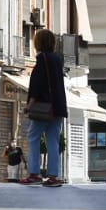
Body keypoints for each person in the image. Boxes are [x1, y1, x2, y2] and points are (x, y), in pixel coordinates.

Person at [24, 28, 69, 187]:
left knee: (33, 137)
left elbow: (37, 84)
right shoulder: (57, 60)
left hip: (44, 107)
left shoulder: (42, 59)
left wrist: (29, 105)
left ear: (38, 43)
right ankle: (53, 176)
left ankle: (34, 173)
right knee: (53, 140)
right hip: (58, 107)